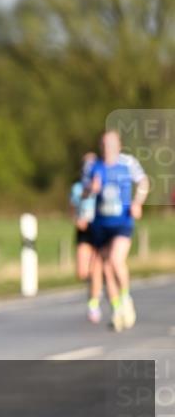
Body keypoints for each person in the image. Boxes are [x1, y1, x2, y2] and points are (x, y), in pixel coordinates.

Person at [85, 130, 149, 332]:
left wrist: (138, 202)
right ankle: (117, 309)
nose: (107, 148)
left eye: (111, 144)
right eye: (104, 144)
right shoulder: (94, 166)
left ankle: (125, 297)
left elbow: (144, 182)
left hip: (123, 222)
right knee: (106, 268)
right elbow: (83, 191)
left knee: (115, 260)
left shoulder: (127, 163)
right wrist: (91, 189)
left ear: (119, 145)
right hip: (101, 224)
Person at [70, 152, 103, 323]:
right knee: (83, 272)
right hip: (83, 230)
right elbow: (73, 210)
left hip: (98, 227)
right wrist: (77, 220)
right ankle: (95, 287)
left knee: (96, 268)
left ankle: (94, 303)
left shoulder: (102, 185)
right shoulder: (77, 188)